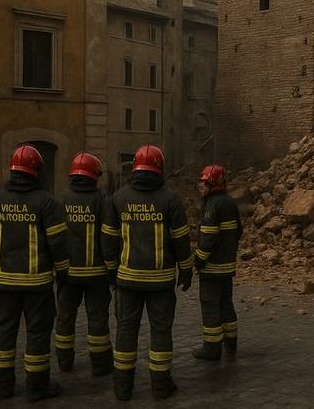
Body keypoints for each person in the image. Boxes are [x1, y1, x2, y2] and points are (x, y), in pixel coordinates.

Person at [103, 144, 193, 401]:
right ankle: (161, 386)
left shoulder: (118, 198)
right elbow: (181, 241)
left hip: (127, 281)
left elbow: (108, 242)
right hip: (161, 282)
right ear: (160, 169)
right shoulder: (170, 199)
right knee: (161, 331)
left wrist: (112, 273)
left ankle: (122, 388)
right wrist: (185, 270)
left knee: (125, 330)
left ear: (135, 168)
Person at [0, 144, 69, 401]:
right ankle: (36, 387)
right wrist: (62, 272)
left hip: (4, 283)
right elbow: (58, 243)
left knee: (4, 332)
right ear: (37, 172)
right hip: (37, 285)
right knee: (37, 335)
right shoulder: (47, 202)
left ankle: (3, 387)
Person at [54, 153, 113, 376]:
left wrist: (57, 269)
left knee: (65, 317)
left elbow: (55, 238)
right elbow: (109, 236)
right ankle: (100, 364)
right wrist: (111, 268)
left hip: (67, 274)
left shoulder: (62, 200)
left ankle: (64, 362)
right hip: (97, 274)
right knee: (97, 318)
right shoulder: (103, 200)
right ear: (94, 175)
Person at [192, 164, 243, 361]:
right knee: (226, 304)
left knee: (210, 305)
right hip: (227, 266)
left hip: (212, 269)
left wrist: (198, 261)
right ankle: (231, 344)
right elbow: (238, 232)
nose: (200, 186)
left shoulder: (212, 206)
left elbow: (208, 238)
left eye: (204, 183)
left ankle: (212, 348)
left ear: (213, 185)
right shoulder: (230, 203)